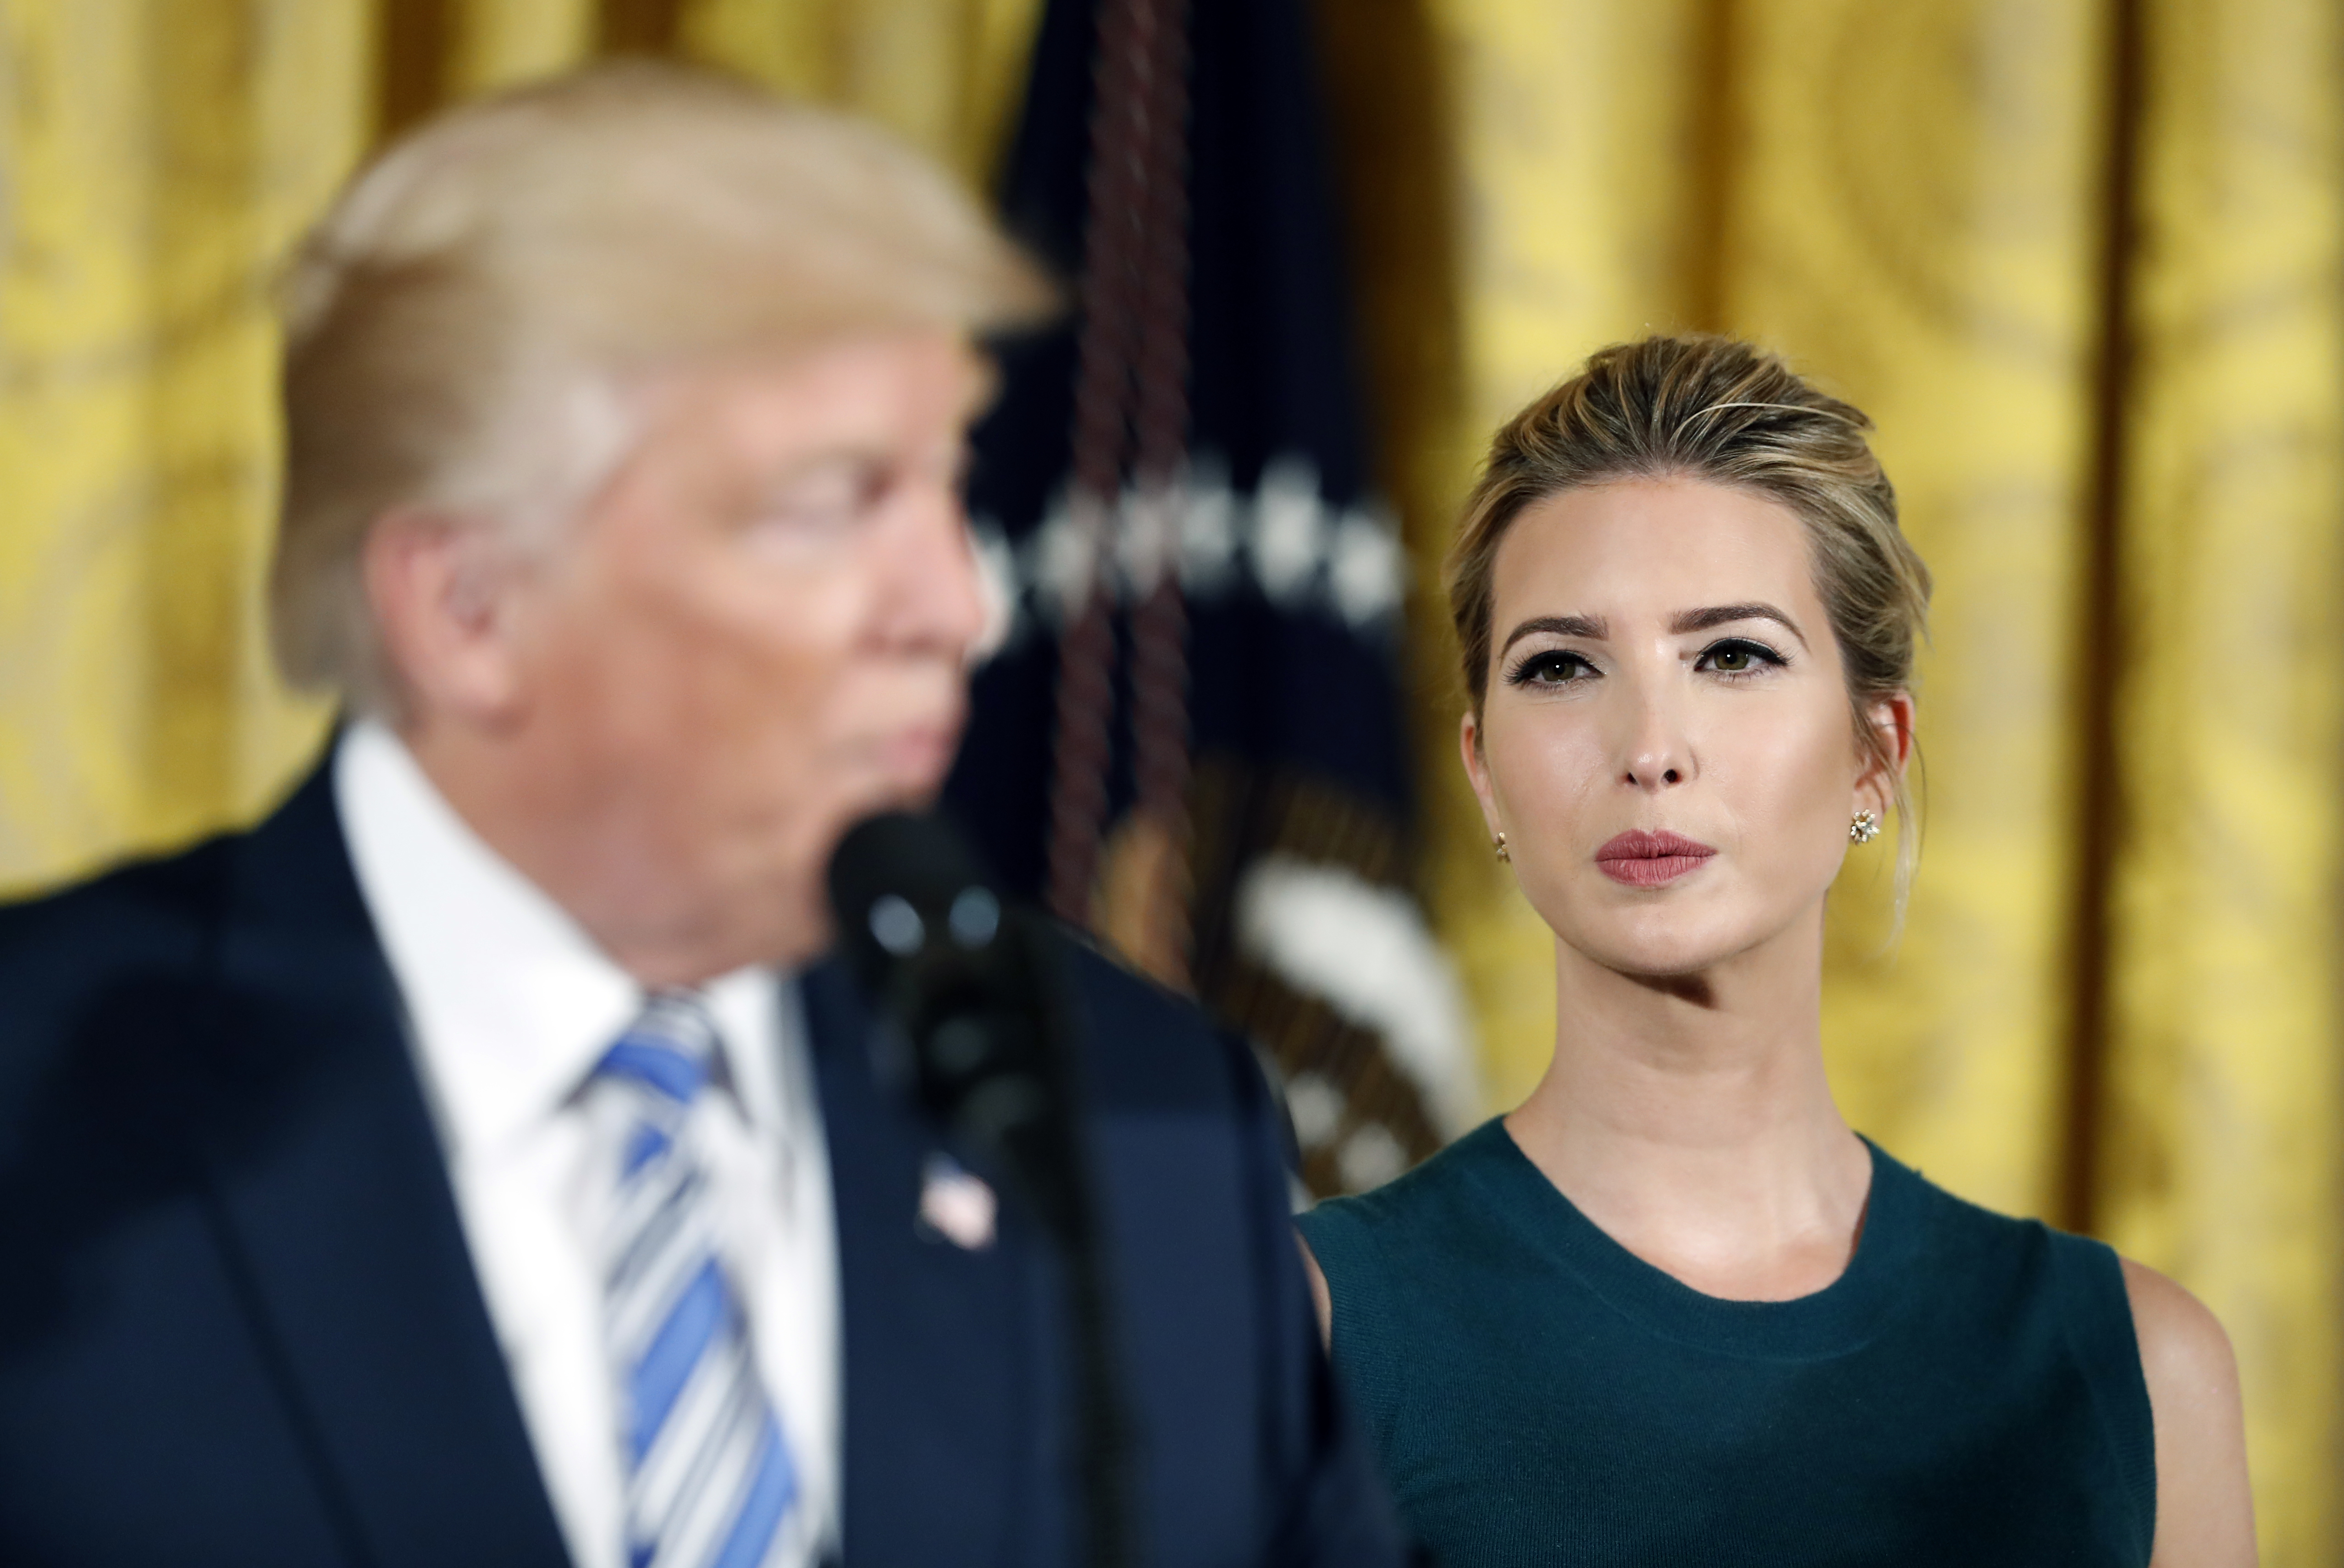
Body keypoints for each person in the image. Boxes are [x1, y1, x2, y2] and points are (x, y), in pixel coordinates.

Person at [0, 63, 1404, 1568]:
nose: (961, 601)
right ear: (469, 607)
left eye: (948, 483)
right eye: (830, 503)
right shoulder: (47, 1118)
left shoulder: (1139, 1126)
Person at [1296, 335, 2256, 1567]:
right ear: (1484, 771)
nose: (1651, 745)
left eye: (1733, 654)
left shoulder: (2142, 1370)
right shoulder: (1303, 1331)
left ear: (1876, 749)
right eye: (1562, 665)